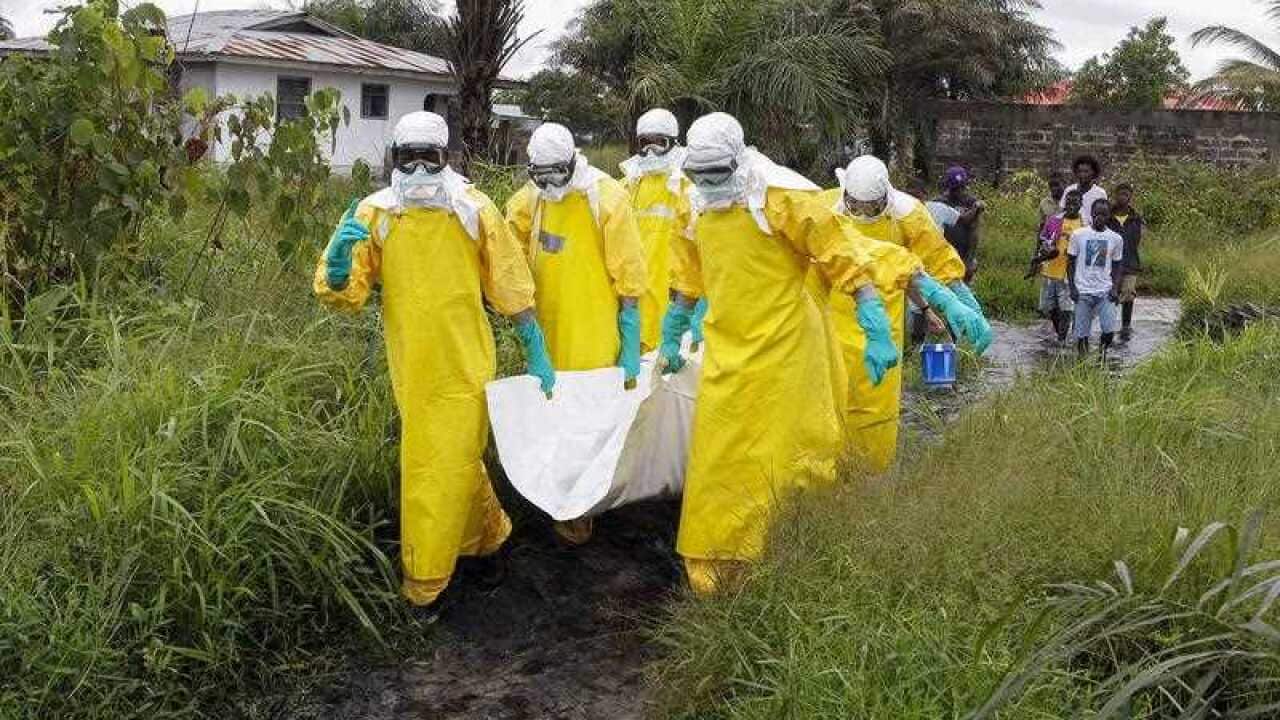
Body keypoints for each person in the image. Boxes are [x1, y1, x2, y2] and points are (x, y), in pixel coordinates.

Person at [313, 112, 555, 609]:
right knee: (456, 461)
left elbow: (508, 280)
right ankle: (490, 542)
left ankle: (426, 580)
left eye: (431, 157)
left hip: (467, 362)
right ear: (395, 159)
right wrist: (337, 270)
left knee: (434, 463)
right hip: (413, 364)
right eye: (409, 158)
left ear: (447, 158)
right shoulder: (374, 214)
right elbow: (348, 294)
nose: (420, 169)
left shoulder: (473, 209)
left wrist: (535, 346)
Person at [656, 112, 899, 596]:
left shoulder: (782, 197)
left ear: (738, 160)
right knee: (719, 458)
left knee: (789, 457)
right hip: (728, 349)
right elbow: (687, 273)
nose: (707, 184)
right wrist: (673, 327)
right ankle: (716, 564)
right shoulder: (694, 204)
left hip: (789, 351)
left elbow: (841, 256)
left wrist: (874, 322)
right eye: (697, 176)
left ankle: (790, 552)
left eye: (715, 175)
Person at [505, 122, 647, 545]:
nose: (549, 185)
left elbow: (630, 273)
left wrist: (630, 333)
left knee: (590, 422)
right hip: (546, 331)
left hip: (594, 333)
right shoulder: (529, 200)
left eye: (556, 175)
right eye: (539, 175)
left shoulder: (606, 198)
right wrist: (526, 333)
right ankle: (553, 496)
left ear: (572, 163)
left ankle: (582, 509)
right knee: (551, 417)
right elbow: (506, 254)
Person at [822, 155, 992, 471]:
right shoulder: (824, 209)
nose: (862, 214)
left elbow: (925, 264)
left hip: (885, 326)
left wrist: (957, 299)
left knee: (877, 408)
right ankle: (829, 478)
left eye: (871, 208)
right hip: (832, 321)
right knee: (829, 403)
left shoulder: (909, 215)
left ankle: (869, 477)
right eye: (856, 207)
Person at [619, 108, 694, 352]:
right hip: (635, 297)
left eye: (658, 144)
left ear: (673, 143)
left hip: (673, 297)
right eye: (645, 143)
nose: (650, 151)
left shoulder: (688, 186)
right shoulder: (627, 186)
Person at [1067, 198, 1124, 358]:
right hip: (1083, 291)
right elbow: (1070, 263)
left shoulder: (1116, 239)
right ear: (1092, 214)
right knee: (1082, 334)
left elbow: (1118, 266)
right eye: (1097, 214)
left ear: (1109, 216)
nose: (1100, 217)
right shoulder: (1078, 235)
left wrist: (1115, 288)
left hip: (1105, 291)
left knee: (1109, 331)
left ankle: (1102, 355)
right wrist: (1072, 287)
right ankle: (1082, 366)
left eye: (1104, 214)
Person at [1034, 189, 1084, 344]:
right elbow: (1043, 239)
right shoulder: (1054, 220)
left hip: (1070, 273)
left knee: (1066, 308)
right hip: (1050, 270)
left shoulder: (1084, 225)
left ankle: (1061, 339)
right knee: (1049, 308)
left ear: (1081, 204)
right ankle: (1060, 334)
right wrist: (1046, 250)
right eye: (1068, 202)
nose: (1071, 206)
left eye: (1075, 203)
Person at [934, 165, 985, 282]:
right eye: (955, 188)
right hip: (945, 255)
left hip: (964, 253)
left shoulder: (972, 202)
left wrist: (970, 259)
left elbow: (975, 232)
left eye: (962, 187)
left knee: (965, 286)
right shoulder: (939, 202)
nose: (959, 191)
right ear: (949, 188)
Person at [1107, 182, 1144, 343]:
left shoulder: (1136, 218)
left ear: (1130, 197)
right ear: (1115, 196)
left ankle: (1126, 325)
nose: (1123, 197)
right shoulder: (1108, 216)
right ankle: (1108, 324)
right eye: (1120, 194)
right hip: (1111, 263)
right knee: (1111, 293)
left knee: (1128, 293)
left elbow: (1137, 240)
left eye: (1126, 194)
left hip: (1130, 261)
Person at [1060, 154, 1107, 227]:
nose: (1082, 175)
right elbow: (1063, 211)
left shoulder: (1100, 193)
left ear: (1093, 173)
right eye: (1080, 171)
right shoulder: (1069, 190)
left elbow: (1104, 214)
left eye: (1086, 171)